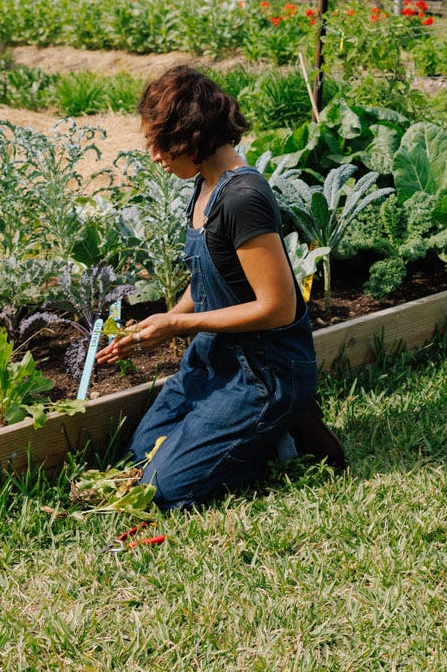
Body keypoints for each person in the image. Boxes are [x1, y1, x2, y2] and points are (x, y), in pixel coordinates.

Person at [97, 65, 345, 509]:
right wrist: (165, 319)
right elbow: (213, 279)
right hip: (217, 359)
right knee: (140, 456)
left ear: (191, 137)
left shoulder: (242, 198)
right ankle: (260, 431)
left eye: (160, 143)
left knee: (165, 491)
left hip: (266, 372)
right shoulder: (204, 187)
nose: (155, 155)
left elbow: (278, 308)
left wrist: (179, 326)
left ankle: (283, 435)